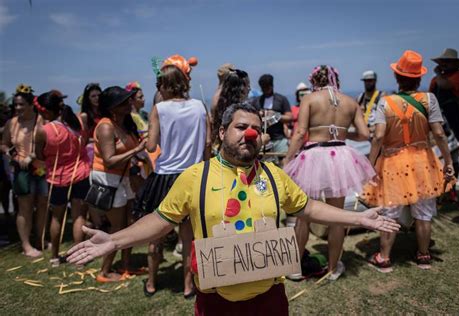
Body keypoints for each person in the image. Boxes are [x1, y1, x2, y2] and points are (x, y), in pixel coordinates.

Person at [67, 102, 399, 315]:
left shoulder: (273, 174)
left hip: (270, 299)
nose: (250, 134)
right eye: (241, 127)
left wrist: (359, 217)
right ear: (222, 132)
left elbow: (309, 207)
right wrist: (115, 241)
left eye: (255, 129)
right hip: (216, 304)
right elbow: (160, 220)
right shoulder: (195, 176)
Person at [362, 50, 455, 272]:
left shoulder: (385, 103)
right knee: (424, 212)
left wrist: (370, 164)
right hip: (423, 160)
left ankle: (384, 258)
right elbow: (440, 134)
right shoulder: (429, 99)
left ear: (397, 77)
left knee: (391, 211)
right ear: (419, 78)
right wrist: (449, 161)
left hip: (393, 162)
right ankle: (423, 255)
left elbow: (378, 137)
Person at [283, 65, 375, 281]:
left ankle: (295, 269)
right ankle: (333, 268)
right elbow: (364, 134)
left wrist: (288, 159)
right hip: (340, 157)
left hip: (313, 156)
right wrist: (343, 134)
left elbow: (300, 133)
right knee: (338, 217)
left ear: (314, 80)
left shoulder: (310, 99)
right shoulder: (351, 102)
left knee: (303, 216)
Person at [134, 54, 210, 298]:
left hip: (165, 177)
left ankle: (152, 282)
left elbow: (151, 146)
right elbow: (208, 144)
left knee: (155, 233)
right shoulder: (200, 106)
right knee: (189, 237)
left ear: (164, 86)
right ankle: (189, 286)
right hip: (193, 176)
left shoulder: (159, 109)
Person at [91, 86, 146, 282]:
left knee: (129, 225)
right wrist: (137, 150)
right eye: (124, 101)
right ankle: (104, 272)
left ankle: (126, 266)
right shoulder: (106, 126)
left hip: (123, 179)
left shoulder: (123, 123)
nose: (129, 103)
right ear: (113, 107)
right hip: (108, 180)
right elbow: (109, 160)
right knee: (118, 228)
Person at [34, 90, 90, 266]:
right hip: (80, 174)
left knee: (57, 217)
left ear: (45, 111)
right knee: (79, 216)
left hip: (58, 178)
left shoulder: (43, 131)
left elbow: (39, 155)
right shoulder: (78, 121)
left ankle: (55, 257)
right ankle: (79, 258)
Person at [1, 84, 47, 257]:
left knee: (43, 205)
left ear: (30, 105)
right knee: (24, 208)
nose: (17, 108)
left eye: (21, 104)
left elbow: (47, 142)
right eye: (16, 104)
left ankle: (40, 240)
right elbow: (4, 143)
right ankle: (26, 245)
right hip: (21, 170)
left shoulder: (41, 119)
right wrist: (9, 152)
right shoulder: (11, 123)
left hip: (42, 168)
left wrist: (34, 155)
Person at [429, 48, 459, 201]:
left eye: (447, 62)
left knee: (452, 157)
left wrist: (439, 74)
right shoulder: (436, 79)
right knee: (439, 157)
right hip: (440, 121)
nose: (444, 64)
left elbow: (446, 85)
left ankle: (450, 189)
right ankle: (442, 190)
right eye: (442, 62)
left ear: (454, 63)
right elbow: (431, 97)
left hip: (455, 120)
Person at [251, 74, 293, 153]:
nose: (265, 89)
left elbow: (290, 118)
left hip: (279, 139)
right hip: (263, 138)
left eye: (267, 87)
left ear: (272, 86)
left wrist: (276, 115)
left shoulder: (281, 99)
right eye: (263, 87)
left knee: (282, 161)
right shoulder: (256, 101)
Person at [211, 68, 250, 147]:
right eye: (247, 85)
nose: (249, 88)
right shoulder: (240, 110)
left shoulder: (218, 102)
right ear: (240, 88)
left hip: (218, 145)